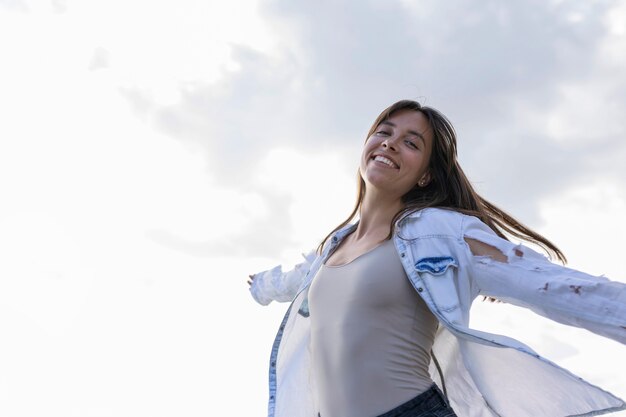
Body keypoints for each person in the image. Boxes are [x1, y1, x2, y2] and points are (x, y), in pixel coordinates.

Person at [247, 100, 626, 417]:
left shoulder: (441, 232)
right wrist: (260, 286)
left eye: (411, 143)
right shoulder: (331, 248)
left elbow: (557, 287)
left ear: (426, 176)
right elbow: (291, 281)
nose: (390, 143)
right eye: (384, 131)